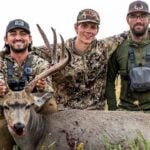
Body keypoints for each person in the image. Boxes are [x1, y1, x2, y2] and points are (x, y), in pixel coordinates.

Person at [33, 9, 127, 110]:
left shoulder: (104, 47)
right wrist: (45, 70)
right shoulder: (59, 50)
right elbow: (29, 53)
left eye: (93, 27)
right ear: (76, 27)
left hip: (95, 114)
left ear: (97, 30)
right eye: (84, 26)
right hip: (64, 113)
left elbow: (127, 34)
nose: (88, 31)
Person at [0, 19, 57, 149]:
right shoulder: (0, 62)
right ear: (6, 39)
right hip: (5, 110)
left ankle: (47, 139)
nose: (18, 37)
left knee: (50, 103)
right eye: (13, 34)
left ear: (30, 39)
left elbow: (49, 92)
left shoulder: (40, 63)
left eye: (23, 34)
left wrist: (43, 87)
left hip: (30, 110)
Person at [105, 0, 150, 111]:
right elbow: (109, 81)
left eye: (143, 16)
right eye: (134, 16)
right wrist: (113, 109)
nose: (138, 20)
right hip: (126, 111)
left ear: (149, 19)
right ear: (127, 20)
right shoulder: (118, 46)